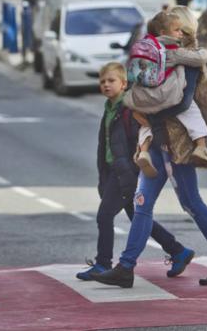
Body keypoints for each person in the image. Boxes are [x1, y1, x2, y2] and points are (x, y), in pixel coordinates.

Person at [91, 7, 207, 288]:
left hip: (176, 143)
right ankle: (126, 267)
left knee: (191, 202)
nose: (173, 34)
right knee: (142, 204)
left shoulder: (190, 60)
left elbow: (183, 102)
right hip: (158, 142)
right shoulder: (160, 56)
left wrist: (150, 113)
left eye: (177, 29)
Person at [75, 62, 195, 281]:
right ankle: (179, 251)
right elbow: (107, 145)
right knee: (138, 217)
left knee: (104, 216)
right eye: (102, 82)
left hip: (127, 172)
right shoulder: (110, 109)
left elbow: (141, 140)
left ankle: (103, 264)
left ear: (123, 84)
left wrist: (131, 170)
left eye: (111, 81)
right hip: (114, 171)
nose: (106, 85)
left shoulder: (129, 110)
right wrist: (104, 174)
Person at [128, 11, 207, 175]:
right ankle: (201, 146)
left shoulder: (148, 45)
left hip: (144, 96)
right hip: (168, 97)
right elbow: (201, 57)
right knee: (191, 111)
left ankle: (143, 151)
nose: (180, 34)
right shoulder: (173, 49)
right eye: (177, 30)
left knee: (145, 122)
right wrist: (205, 51)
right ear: (164, 33)